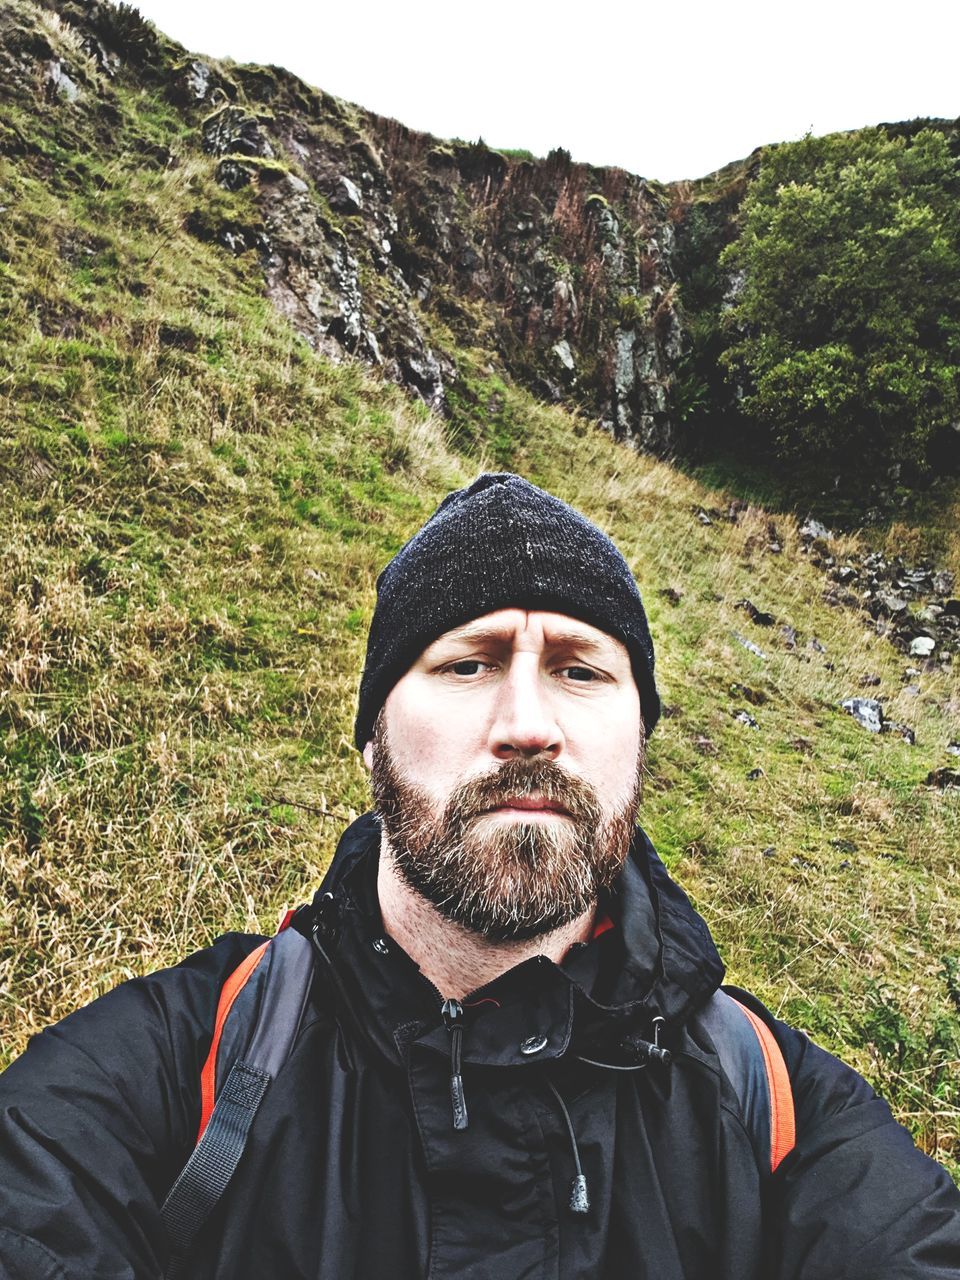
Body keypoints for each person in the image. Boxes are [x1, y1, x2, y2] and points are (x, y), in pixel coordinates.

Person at [1, 472, 958, 1280]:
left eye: (583, 670)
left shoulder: (776, 1109)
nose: (529, 722)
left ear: (638, 747)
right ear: (373, 743)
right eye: (467, 664)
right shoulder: (182, 1067)